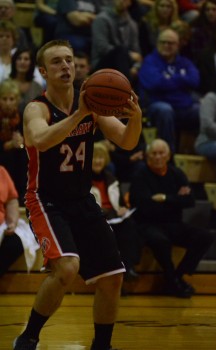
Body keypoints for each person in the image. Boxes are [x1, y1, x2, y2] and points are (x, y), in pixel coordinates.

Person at [13, 39, 142, 350]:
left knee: (113, 277)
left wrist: (135, 116)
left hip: (82, 200)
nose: (66, 66)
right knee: (68, 267)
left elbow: (126, 141)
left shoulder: (92, 106)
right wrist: (80, 114)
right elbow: (40, 140)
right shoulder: (36, 107)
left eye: (69, 60)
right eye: (56, 62)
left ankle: (102, 345)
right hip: (46, 201)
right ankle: (29, 336)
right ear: (43, 71)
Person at [129, 138, 213, 297]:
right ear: (148, 156)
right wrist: (175, 200)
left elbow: (189, 200)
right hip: (148, 225)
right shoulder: (140, 175)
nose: (158, 157)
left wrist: (165, 198)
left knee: (205, 237)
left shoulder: (177, 174)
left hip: (174, 224)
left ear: (168, 156)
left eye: (161, 153)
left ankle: (176, 276)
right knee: (160, 240)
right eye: (154, 153)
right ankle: (172, 279)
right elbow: (143, 205)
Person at [138, 28, 200, 153]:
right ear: (157, 43)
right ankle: (168, 155)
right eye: (163, 42)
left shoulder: (184, 62)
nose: (166, 45)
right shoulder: (150, 61)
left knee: (202, 110)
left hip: (182, 106)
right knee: (165, 110)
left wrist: (169, 80)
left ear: (178, 45)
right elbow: (155, 83)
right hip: (155, 106)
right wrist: (181, 79)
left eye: (170, 43)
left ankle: (197, 152)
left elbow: (195, 80)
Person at [91, 142, 141, 281]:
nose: (98, 161)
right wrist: (110, 212)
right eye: (94, 157)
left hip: (113, 217)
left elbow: (120, 203)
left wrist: (124, 208)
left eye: (101, 157)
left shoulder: (111, 178)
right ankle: (115, 274)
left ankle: (128, 268)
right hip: (97, 219)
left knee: (129, 224)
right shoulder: (83, 180)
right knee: (109, 230)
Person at [91, 0, 142, 85]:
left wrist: (136, 67)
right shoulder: (101, 19)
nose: (122, 1)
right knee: (121, 50)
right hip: (102, 63)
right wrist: (128, 54)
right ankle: (127, 89)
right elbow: (102, 47)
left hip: (125, 65)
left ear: (130, 3)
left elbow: (137, 53)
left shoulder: (133, 24)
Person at [0, 165, 39, 277]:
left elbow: (11, 200)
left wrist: (12, 222)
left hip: (1, 224)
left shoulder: (1, 171)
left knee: (16, 242)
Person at [0, 79, 27, 205]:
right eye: (4, 99)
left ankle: (21, 197)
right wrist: (8, 144)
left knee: (22, 154)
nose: (8, 103)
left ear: (17, 100)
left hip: (18, 163)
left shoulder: (23, 118)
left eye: (11, 99)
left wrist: (22, 143)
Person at [9, 47, 44, 115]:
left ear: (31, 63)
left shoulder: (37, 87)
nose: (22, 62)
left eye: (26, 59)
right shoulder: (5, 85)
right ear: (14, 62)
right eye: (19, 58)